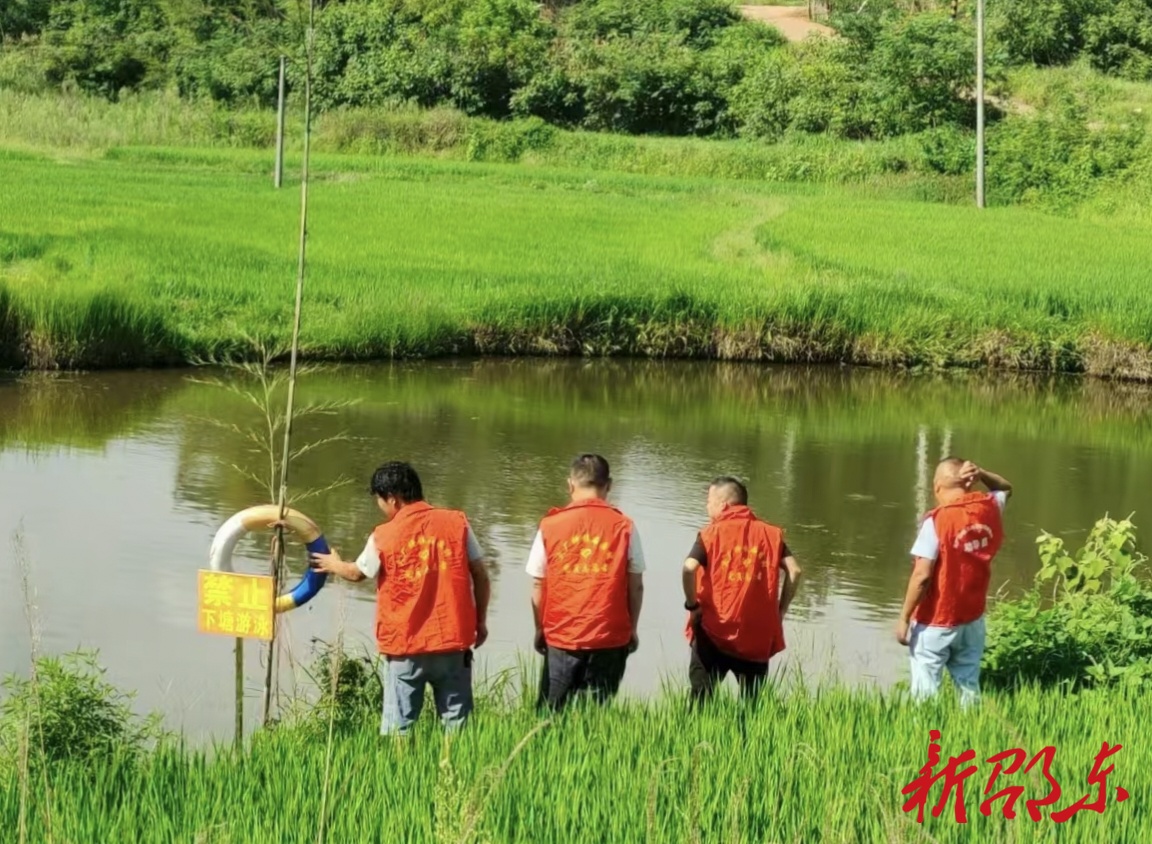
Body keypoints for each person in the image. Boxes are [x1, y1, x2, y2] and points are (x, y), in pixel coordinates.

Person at [310, 461, 491, 736]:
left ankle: (400, 775)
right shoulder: (456, 522)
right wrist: (480, 622)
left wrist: (333, 563)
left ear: (392, 499)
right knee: (458, 726)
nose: (381, 507)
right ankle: (458, 775)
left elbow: (358, 573)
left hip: (405, 646)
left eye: (380, 501)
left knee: (400, 728)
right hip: (453, 641)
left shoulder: (383, 535)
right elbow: (480, 573)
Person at [527, 454, 644, 711]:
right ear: (609, 485)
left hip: (562, 636)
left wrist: (540, 629)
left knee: (550, 714)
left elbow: (538, 584)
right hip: (610, 637)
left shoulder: (550, 525)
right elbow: (636, 585)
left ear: (570, 485)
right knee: (596, 716)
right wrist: (632, 629)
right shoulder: (625, 526)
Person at [895, 458, 1012, 708]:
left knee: (925, 693)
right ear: (968, 482)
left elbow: (922, 576)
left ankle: (927, 740)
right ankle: (969, 735)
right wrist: (981, 473)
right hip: (973, 617)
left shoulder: (937, 521)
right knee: (968, 685)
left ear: (937, 487)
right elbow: (1004, 487)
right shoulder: (989, 507)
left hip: (937, 618)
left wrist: (904, 617)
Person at [681, 477, 802, 703]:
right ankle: (749, 738)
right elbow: (795, 571)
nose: (707, 507)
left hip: (712, 630)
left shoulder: (711, 534)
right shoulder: (770, 534)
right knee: (752, 707)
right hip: (755, 635)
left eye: (709, 501)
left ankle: (696, 737)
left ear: (724, 505)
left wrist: (692, 605)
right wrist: (780, 611)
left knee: (700, 702)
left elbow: (689, 568)